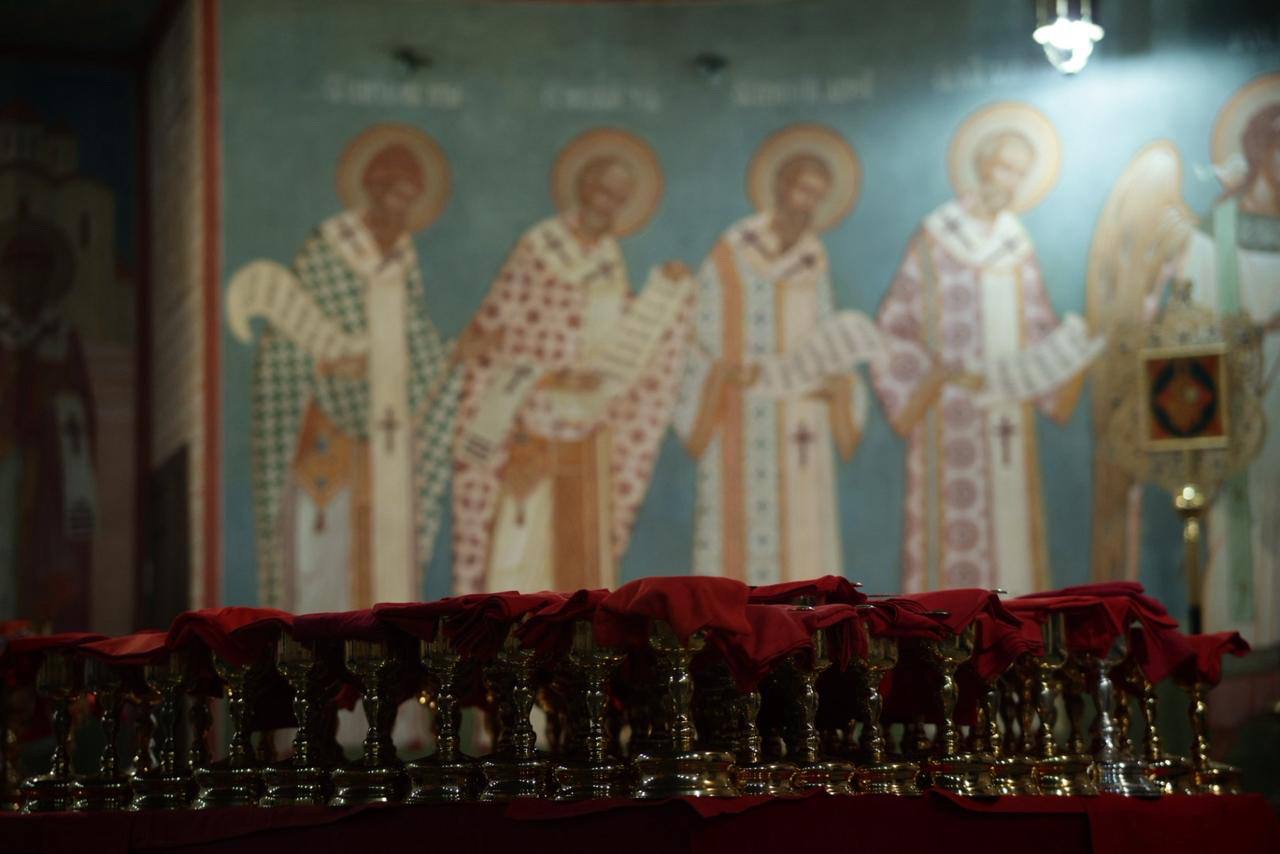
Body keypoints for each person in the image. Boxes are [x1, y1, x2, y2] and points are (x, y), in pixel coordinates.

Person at [451, 130, 691, 594]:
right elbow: (496, 334)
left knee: (576, 559)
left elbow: (611, 334)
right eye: (603, 192)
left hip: (585, 429)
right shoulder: (541, 247)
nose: (608, 205)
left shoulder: (608, 258)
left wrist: (665, 294)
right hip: (529, 422)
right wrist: (549, 375)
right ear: (583, 189)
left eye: (619, 199)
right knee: (520, 555)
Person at [243, 126, 459, 611]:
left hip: (385, 440)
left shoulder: (402, 256)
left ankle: (384, 648)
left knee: (380, 547)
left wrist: (454, 358)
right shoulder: (329, 248)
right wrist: (326, 363)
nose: (402, 209)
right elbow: (287, 334)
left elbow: (417, 339)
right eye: (396, 194)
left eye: (411, 199)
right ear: (374, 190)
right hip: (325, 428)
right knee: (323, 550)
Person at [872, 106, 1079, 595]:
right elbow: (894, 326)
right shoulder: (936, 236)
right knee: (950, 547)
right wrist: (929, 378)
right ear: (982, 165)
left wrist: (1070, 354)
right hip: (948, 416)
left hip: (1009, 414)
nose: (1009, 182)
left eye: (1019, 173)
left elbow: (1038, 325)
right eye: (1004, 167)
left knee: (1015, 550)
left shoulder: (1017, 244)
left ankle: (1018, 638)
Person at [675, 126, 867, 584]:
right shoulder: (734, 250)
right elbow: (695, 330)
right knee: (740, 543)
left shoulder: (813, 257)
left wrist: (840, 384)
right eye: (802, 190)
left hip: (804, 419)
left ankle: (810, 627)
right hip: (742, 417)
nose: (807, 204)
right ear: (780, 187)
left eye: (816, 196)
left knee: (806, 544)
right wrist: (722, 374)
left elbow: (826, 332)